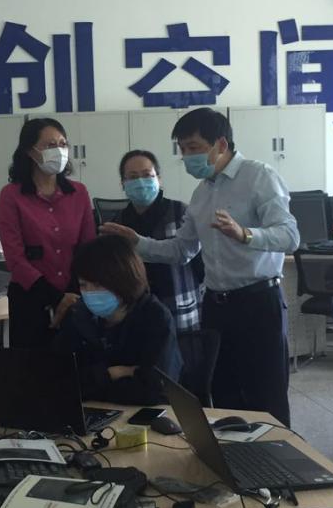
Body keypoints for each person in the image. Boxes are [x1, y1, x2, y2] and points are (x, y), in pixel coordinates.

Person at [102, 108, 298, 425]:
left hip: (258, 302)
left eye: (193, 147)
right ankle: (232, 455)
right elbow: (181, 250)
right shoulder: (201, 194)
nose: (187, 156)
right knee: (223, 396)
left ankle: (276, 457)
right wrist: (136, 242)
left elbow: (290, 236)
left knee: (266, 395)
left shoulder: (259, 176)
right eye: (182, 149)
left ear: (221, 144)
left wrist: (245, 234)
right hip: (217, 307)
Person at [0, 118, 96, 348]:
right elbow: (15, 259)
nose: (59, 150)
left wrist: (71, 294)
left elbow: (88, 247)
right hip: (30, 298)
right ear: (30, 151)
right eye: (51, 145)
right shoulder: (11, 195)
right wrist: (56, 298)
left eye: (63, 144)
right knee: (33, 366)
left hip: (76, 295)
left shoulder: (79, 193)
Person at [53, 235, 182, 404]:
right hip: (89, 412)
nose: (90, 292)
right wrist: (113, 373)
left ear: (124, 280)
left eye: (98, 284)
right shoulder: (78, 315)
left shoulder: (155, 317)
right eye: (83, 284)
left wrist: (92, 383)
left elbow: (156, 390)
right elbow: (58, 382)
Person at [115, 149, 203, 332]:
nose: (140, 182)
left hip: (180, 307)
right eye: (133, 177)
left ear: (159, 179)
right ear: (123, 183)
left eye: (147, 175)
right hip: (135, 313)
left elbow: (200, 264)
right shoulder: (118, 224)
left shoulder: (181, 213)